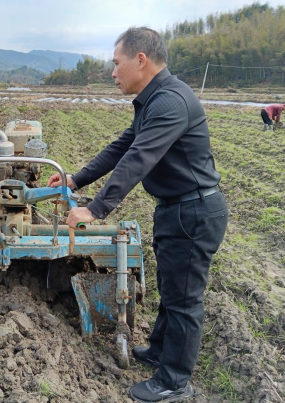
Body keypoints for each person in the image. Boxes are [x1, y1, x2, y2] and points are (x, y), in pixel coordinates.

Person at [48, 27, 228, 402]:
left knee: (184, 299)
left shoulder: (170, 101)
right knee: (171, 288)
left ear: (140, 60)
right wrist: (76, 179)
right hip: (176, 209)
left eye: (117, 64)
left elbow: (139, 159)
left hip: (193, 212)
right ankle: (162, 352)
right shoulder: (154, 100)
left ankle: (174, 381)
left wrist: (96, 209)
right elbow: (124, 145)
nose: (113, 73)